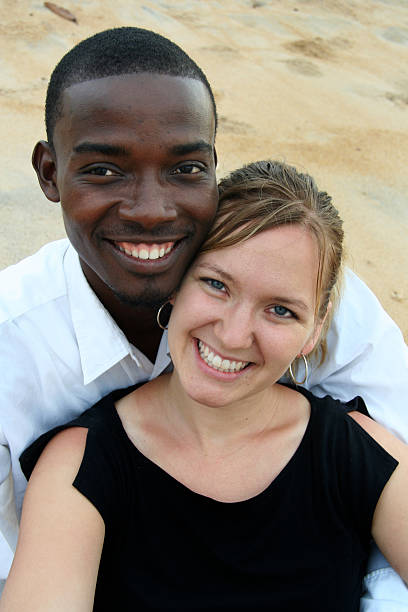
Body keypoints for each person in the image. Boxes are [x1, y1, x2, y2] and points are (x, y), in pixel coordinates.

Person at [0, 27, 407, 608]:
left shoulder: (300, 282)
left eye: (186, 169)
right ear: (48, 173)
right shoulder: (61, 431)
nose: (151, 212)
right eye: (104, 170)